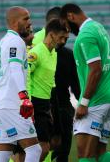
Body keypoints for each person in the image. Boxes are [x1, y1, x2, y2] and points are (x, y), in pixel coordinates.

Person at [60, 3, 110, 162]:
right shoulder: (99, 28)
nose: (67, 30)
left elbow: (96, 70)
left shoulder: (85, 35)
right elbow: (109, 64)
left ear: (70, 16)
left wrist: (84, 103)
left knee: (84, 155)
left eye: (66, 25)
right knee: (99, 154)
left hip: (96, 102)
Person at [0, 6, 42, 162]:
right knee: (34, 149)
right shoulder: (15, 41)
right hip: (12, 104)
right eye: (25, 18)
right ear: (14, 21)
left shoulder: (2, 43)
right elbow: (14, 68)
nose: (30, 22)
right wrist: (24, 97)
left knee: (4, 151)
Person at [33, 6, 81, 162]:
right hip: (40, 107)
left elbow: (76, 86)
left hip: (63, 109)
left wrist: (84, 103)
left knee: (61, 152)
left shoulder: (67, 54)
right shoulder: (35, 49)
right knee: (38, 148)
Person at [27, 18, 69, 161]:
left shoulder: (54, 54)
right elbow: (24, 75)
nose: (63, 41)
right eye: (61, 37)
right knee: (41, 148)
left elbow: (50, 83)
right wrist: (27, 102)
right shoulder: (35, 53)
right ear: (51, 35)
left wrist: (52, 107)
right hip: (34, 104)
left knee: (45, 147)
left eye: (66, 38)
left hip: (45, 104)